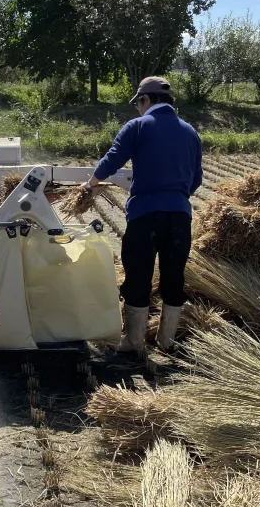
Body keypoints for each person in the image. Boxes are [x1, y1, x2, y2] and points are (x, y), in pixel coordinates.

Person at [83, 77, 202, 354]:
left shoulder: (137, 127)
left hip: (145, 216)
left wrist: (89, 185)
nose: (137, 108)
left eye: (138, 103)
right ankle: (166, 342)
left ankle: (134, 343)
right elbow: (196, 180)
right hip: (179, 218)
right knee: (174, 278)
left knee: (138, 277)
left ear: (146, 100)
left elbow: (112, 160)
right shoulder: (190, 132)